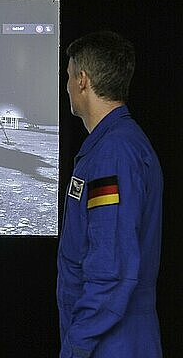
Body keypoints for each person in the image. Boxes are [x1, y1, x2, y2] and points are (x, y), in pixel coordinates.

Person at [58, 30, 163, 357]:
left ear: (83, 80)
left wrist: (76, 347)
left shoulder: (112, 155)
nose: (67, 86)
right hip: (114, 335)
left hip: (110, 341)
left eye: (69, 76)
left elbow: (111, 271)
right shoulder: (117, 144)